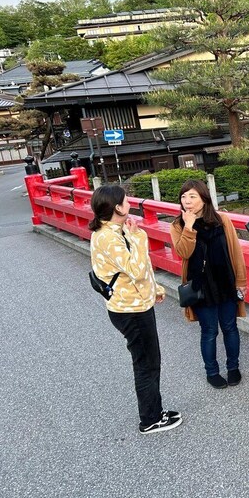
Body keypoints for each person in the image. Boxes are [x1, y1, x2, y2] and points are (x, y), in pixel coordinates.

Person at [89, 185, 182, 435]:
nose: (129, 202)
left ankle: (155, 411)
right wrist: (139, 237)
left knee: (148, 360)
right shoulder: (108, 237)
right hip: (130, 310)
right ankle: (150, 419)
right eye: (125, 200)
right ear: (118, 207)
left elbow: (130, 273)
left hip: (134, 303)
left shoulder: (112, 231)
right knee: (147, 363)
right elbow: (137, 269)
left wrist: (155, 290)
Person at [170, 180, 247, 389]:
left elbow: (235, 251)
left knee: (230, 327)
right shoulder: (178, 225)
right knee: (209, 330)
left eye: (192, 196)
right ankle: (211, 371)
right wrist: (189, 226)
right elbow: (183, 252)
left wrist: (241, 281)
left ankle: (233, 367)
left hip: (225, 281)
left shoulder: (222, 219)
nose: (187, 201)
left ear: (204, 199)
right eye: (184, 197)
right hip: (200, 287)